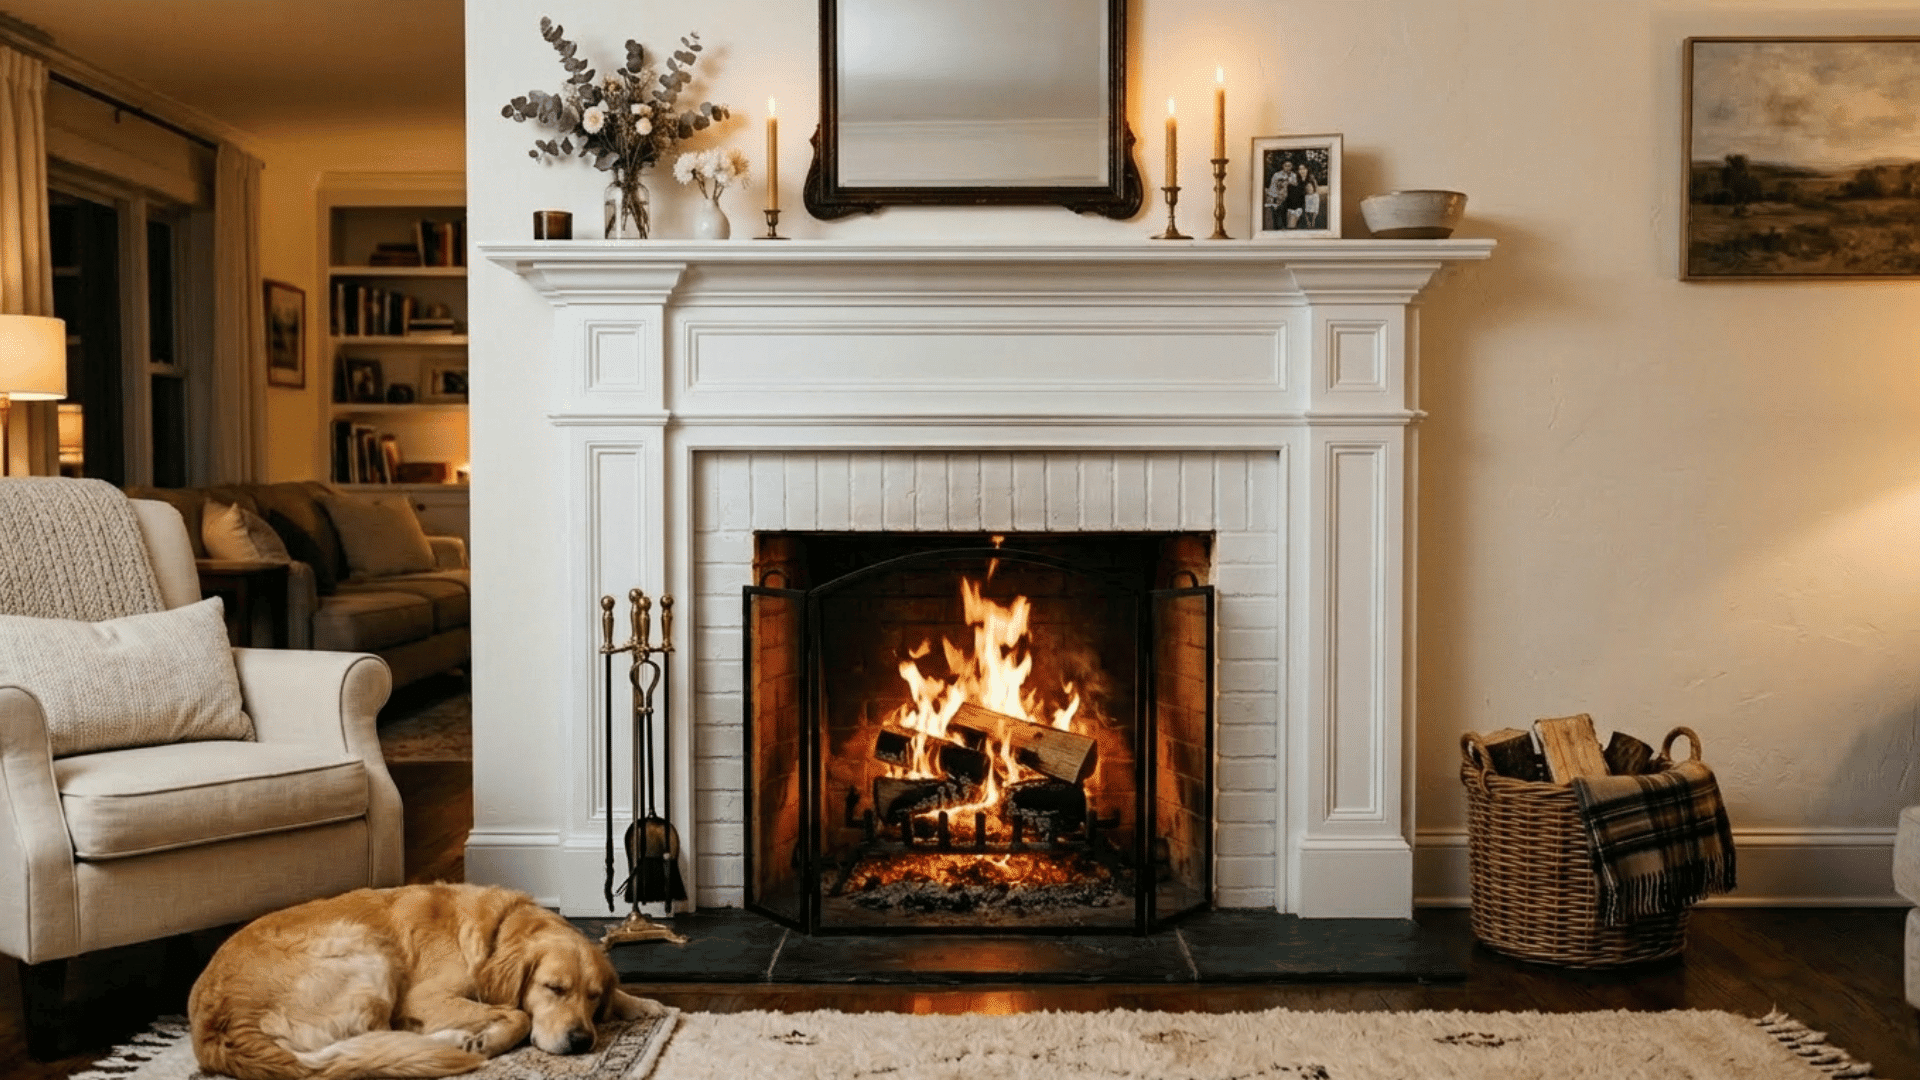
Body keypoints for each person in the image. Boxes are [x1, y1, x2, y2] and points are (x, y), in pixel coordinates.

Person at [1283, 161, 1308, 229]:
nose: (1302, 170)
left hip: (1299, 209)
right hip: (1291, 208)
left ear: (1307, 169)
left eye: (1304, 168)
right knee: (1290, 228)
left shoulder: (1309, 181)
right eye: (1300, 169)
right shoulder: (1295, 180)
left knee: (1291, 228)